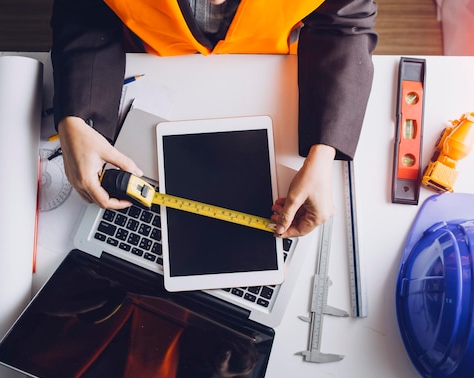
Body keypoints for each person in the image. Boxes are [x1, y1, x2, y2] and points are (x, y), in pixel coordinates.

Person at [50, 0, 378, 238]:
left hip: (267, 71)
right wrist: (78, 118)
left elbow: (344, 25)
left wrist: (324, 152)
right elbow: (83, 13)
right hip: (150, 61)